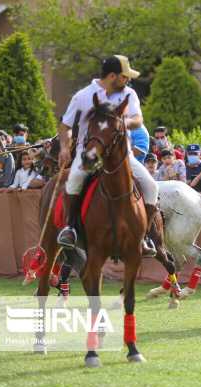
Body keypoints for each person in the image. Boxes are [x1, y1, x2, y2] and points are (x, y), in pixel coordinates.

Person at [56, 55, 159, 256]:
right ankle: (70, 228)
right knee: (75, 179)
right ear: (112, 76)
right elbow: (65, 126)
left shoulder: (129, 93)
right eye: (124, 76)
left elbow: (138, 119)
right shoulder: (82, 96)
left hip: (122, 154)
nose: (128, 80)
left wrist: (123, 123)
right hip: (90, 153)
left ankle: (144, 237)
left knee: (151, 186)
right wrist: (64, 147)